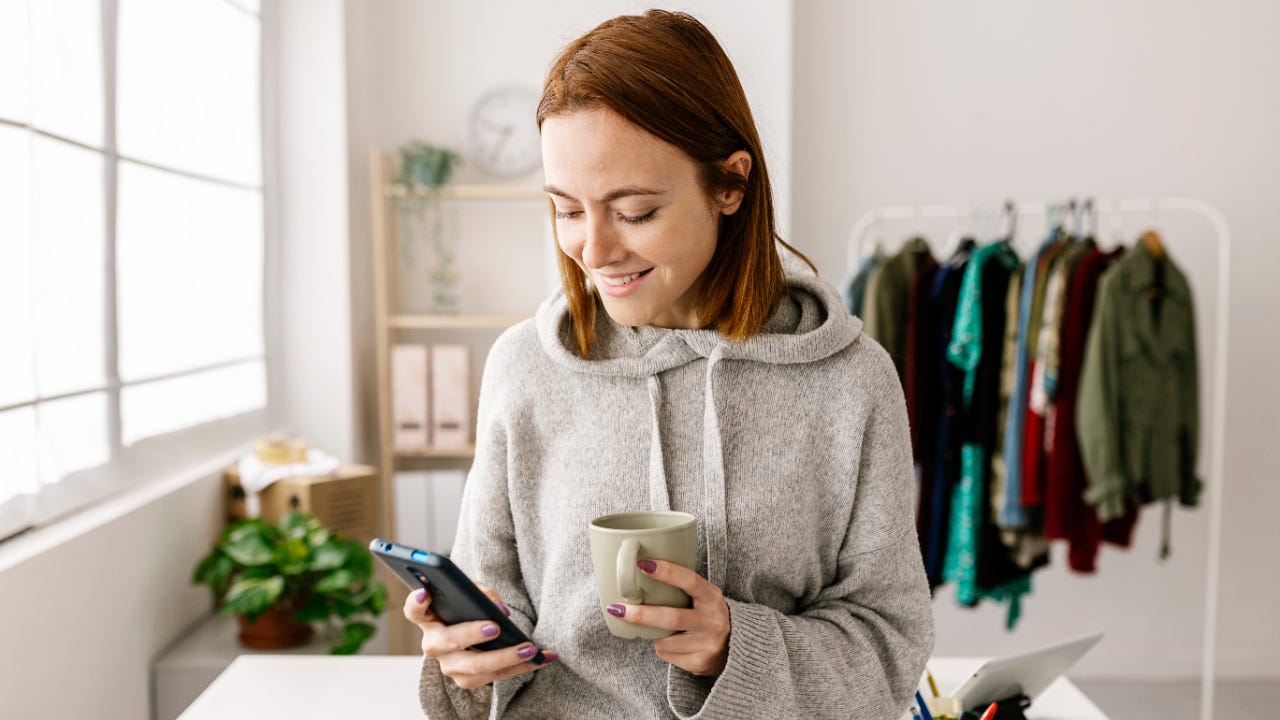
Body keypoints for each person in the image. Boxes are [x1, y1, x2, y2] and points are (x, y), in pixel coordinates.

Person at [404, 10, 934, 719]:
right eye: (566, 210)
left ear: (731, 184)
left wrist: (732, 647)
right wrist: (465, 662)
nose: (592, 250)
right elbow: (492, 631)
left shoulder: (850, 381)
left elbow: (889, 646)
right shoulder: (525, 370)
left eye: (634, 211)